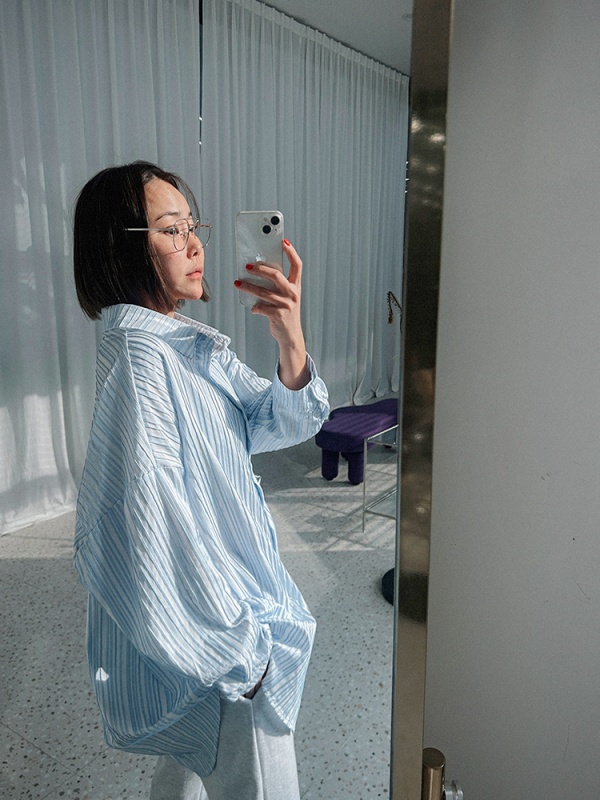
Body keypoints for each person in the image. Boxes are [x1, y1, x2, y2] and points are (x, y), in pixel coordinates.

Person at [72, 161, 329, 800]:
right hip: (226, 647)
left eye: (194, 226)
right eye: (170, 229)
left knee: (191, 768)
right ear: (121, 248)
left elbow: (277, 421)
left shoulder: (182, 346)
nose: (194, 246)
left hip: (215, 642)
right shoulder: (144, 362)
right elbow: (149, 531)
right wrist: (241, 655)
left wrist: (290, 339)